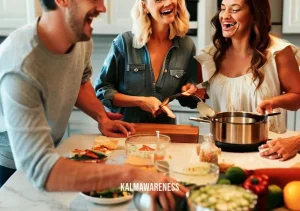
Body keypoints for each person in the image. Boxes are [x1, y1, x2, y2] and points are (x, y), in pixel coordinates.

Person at [0, 0, 187, 209]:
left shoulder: (80, 38)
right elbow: (41, 170)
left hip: (52, 153)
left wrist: (102, 117)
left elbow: (80, 81)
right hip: (13, 164)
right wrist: (134, 175)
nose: (103, 8)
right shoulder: (20, 64)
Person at [194, 0, 300, 133]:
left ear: (254, 15)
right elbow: (196, 94)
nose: (224, 16)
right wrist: (193, 92)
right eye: (222, 8)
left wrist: (273, 102)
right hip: (222, 145)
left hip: (269, 147)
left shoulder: (278, 52)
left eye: (235, 9)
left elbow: (297, 96)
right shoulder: (210, 57)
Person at [94, 0, 204, 124]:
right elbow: (102, 91)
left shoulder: (187, 46)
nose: (168, 2)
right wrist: (141, 101)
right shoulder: (124, 43)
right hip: (126, 132)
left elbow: (190, 101)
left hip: (164, 134)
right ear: (144, 6)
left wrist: (191, 91)